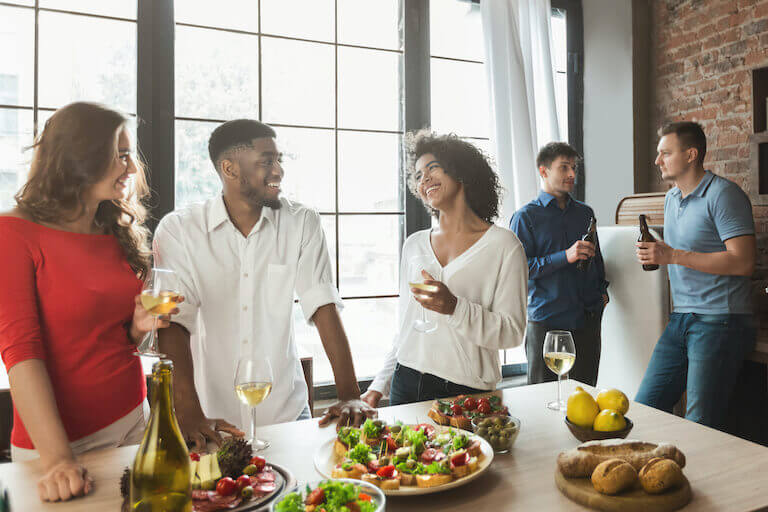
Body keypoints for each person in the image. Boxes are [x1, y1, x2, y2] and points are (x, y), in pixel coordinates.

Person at [154, 119, 374, 448]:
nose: (278, 171)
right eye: (266, 161)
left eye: (279, 160)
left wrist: (349, 394)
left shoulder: (301, 222)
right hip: (211, 419)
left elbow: (323, 305)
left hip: (287, 413)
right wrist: (187, 412)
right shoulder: (179, 230)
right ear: (229, 168)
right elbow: (173, 324)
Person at [0, 102, 178, 502]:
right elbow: (20, 353)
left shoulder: (113, 229)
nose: (131, 168)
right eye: (120, 155)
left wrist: (138, 326)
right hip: (60, 447)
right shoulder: (12, 232)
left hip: (134, 421)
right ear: (79, 157)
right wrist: (58, 460)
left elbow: (113, 338)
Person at [361, 131, 528, 407]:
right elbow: (406, 326)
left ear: (461, 171)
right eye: (418, 175)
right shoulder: (414, 245)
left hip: (467, 392)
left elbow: (512, 332)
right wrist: (379, 384)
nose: (424, 179)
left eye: (433, 168)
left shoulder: (504, 246)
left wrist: (454, 307)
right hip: (406, 382)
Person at [635, 121, 756, 430]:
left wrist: (673, 255)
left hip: (720, 320)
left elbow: (743, 262)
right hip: (681, 318)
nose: (657, 160)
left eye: (666, 153)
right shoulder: (671, 198)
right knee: (643, 410)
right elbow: (684, 250)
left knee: (698, 425)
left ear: (691, 155)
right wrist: (659, 253)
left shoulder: (723, 195)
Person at [509, 142, 609, 386]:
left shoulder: (585, 213)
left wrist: (602, 292)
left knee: (585, 394)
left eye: (574, 168)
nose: (572, 174)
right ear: (543, 171)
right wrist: (566, 256)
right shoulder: (525, 217)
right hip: (547, 322)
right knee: (541, 397)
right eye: (564, 167)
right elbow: (519, 270)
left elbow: (596, 258)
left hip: (586, 320)